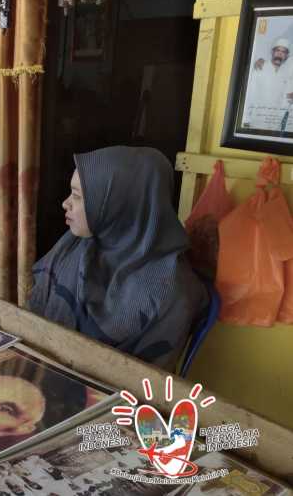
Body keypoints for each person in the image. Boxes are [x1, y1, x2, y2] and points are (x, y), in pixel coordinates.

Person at [28, 146, 208, 370]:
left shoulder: (170, 293)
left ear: (119, 205)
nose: (65, 203)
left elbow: (143, 382)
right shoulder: (77, 246)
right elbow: (32, 317)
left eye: (77, 196)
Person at [243, 38, 293, 130]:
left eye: (283, 52)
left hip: (275, 125)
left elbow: (286, 98)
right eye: (277, 50)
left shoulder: (286, 73)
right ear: (272, 52)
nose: (280, 54)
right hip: (256, 122)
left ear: (286, 56)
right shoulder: (260, 68)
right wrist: (246, 120)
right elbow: (249, 94)